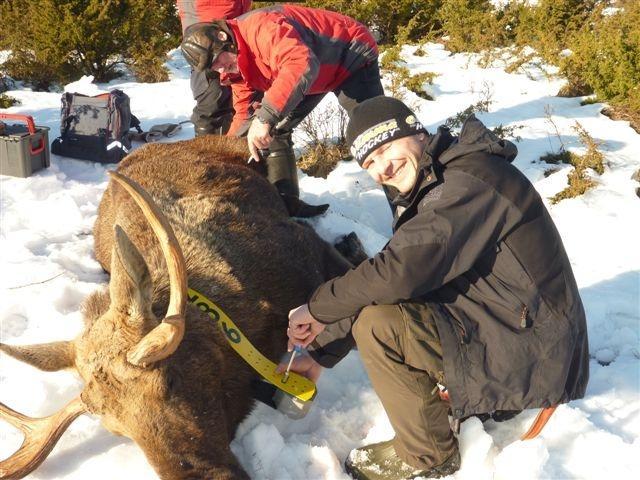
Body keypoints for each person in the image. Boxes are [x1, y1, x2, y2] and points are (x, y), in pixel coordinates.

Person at [283, 96, 590, 480]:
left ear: (417, 133)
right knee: (382, 303)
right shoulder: (436, 184)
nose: (382, 168)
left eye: (385, 148)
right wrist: (321, 350)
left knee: (379, 325)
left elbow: (400, 272)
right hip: (509, 326)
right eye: (369, 163)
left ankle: (426, 455)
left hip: (535, 353)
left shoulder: (469, 180)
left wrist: (316, 309)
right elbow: (394, 275)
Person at [180, 5, 384, 215]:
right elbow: (243, 111)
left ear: (223, 38)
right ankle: (286, 206)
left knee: (379, 137)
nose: (220, 69)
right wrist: (226, 148)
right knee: (274, 131)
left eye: (217, 61)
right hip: (315, 74)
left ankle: (413, 210)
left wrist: (264, 118)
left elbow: (301, 63)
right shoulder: (236, 67)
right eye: (212, 68)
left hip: (351, 55)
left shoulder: (263, 27)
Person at [176, 0, 252, 136]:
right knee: (213, 105)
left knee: (246, 103)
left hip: (236, 30)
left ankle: (240, 151)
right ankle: (208, 155)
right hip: (206, 36)